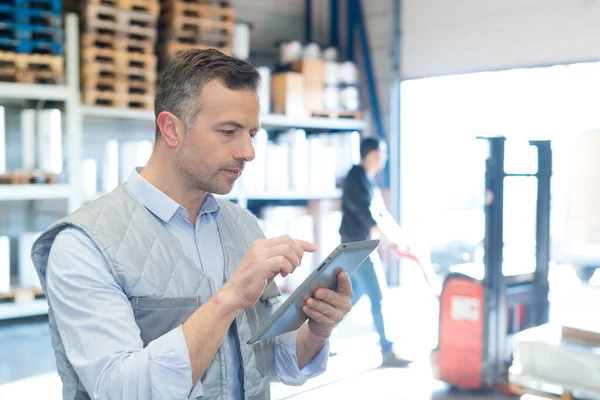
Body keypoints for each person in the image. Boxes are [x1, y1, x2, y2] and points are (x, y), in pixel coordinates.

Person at [31, 49, 354, 400]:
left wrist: (316, 331)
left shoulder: (243, 227)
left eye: (252, 133)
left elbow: (273, 362)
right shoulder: (84, 245)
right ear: (171, 129)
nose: (248, 151)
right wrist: (229, 298)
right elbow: (120, 390)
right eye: (228, 131)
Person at [339, 137, 413, 368]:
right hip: (357, 246)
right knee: (378, 295)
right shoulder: (355, 178)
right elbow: (365, 214)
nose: (385, 158)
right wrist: (389, 239)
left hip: (362, 245)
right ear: (372, 154)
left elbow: (380, 213)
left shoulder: (369, 181)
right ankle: (387, 350)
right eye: (383, 153)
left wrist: (399, 236)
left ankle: (320, 340)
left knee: (353, 297)